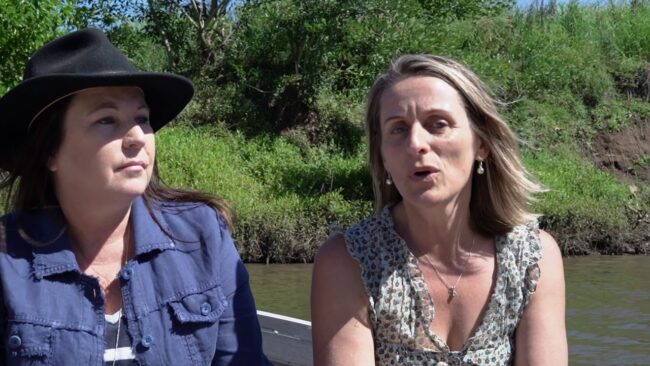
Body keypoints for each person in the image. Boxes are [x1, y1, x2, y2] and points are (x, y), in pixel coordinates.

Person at [0, 28, 270, 365]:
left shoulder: (203, 236)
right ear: (49, 152)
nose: (136, 137)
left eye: (142, 118)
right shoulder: (7, 262)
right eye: (107, 120)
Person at [311, 54, 568, 365]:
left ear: (482, 143)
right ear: (382, 157)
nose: (416, 143)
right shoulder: (348, 262)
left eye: (438, 124)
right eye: (398, 129)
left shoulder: (533, 258)